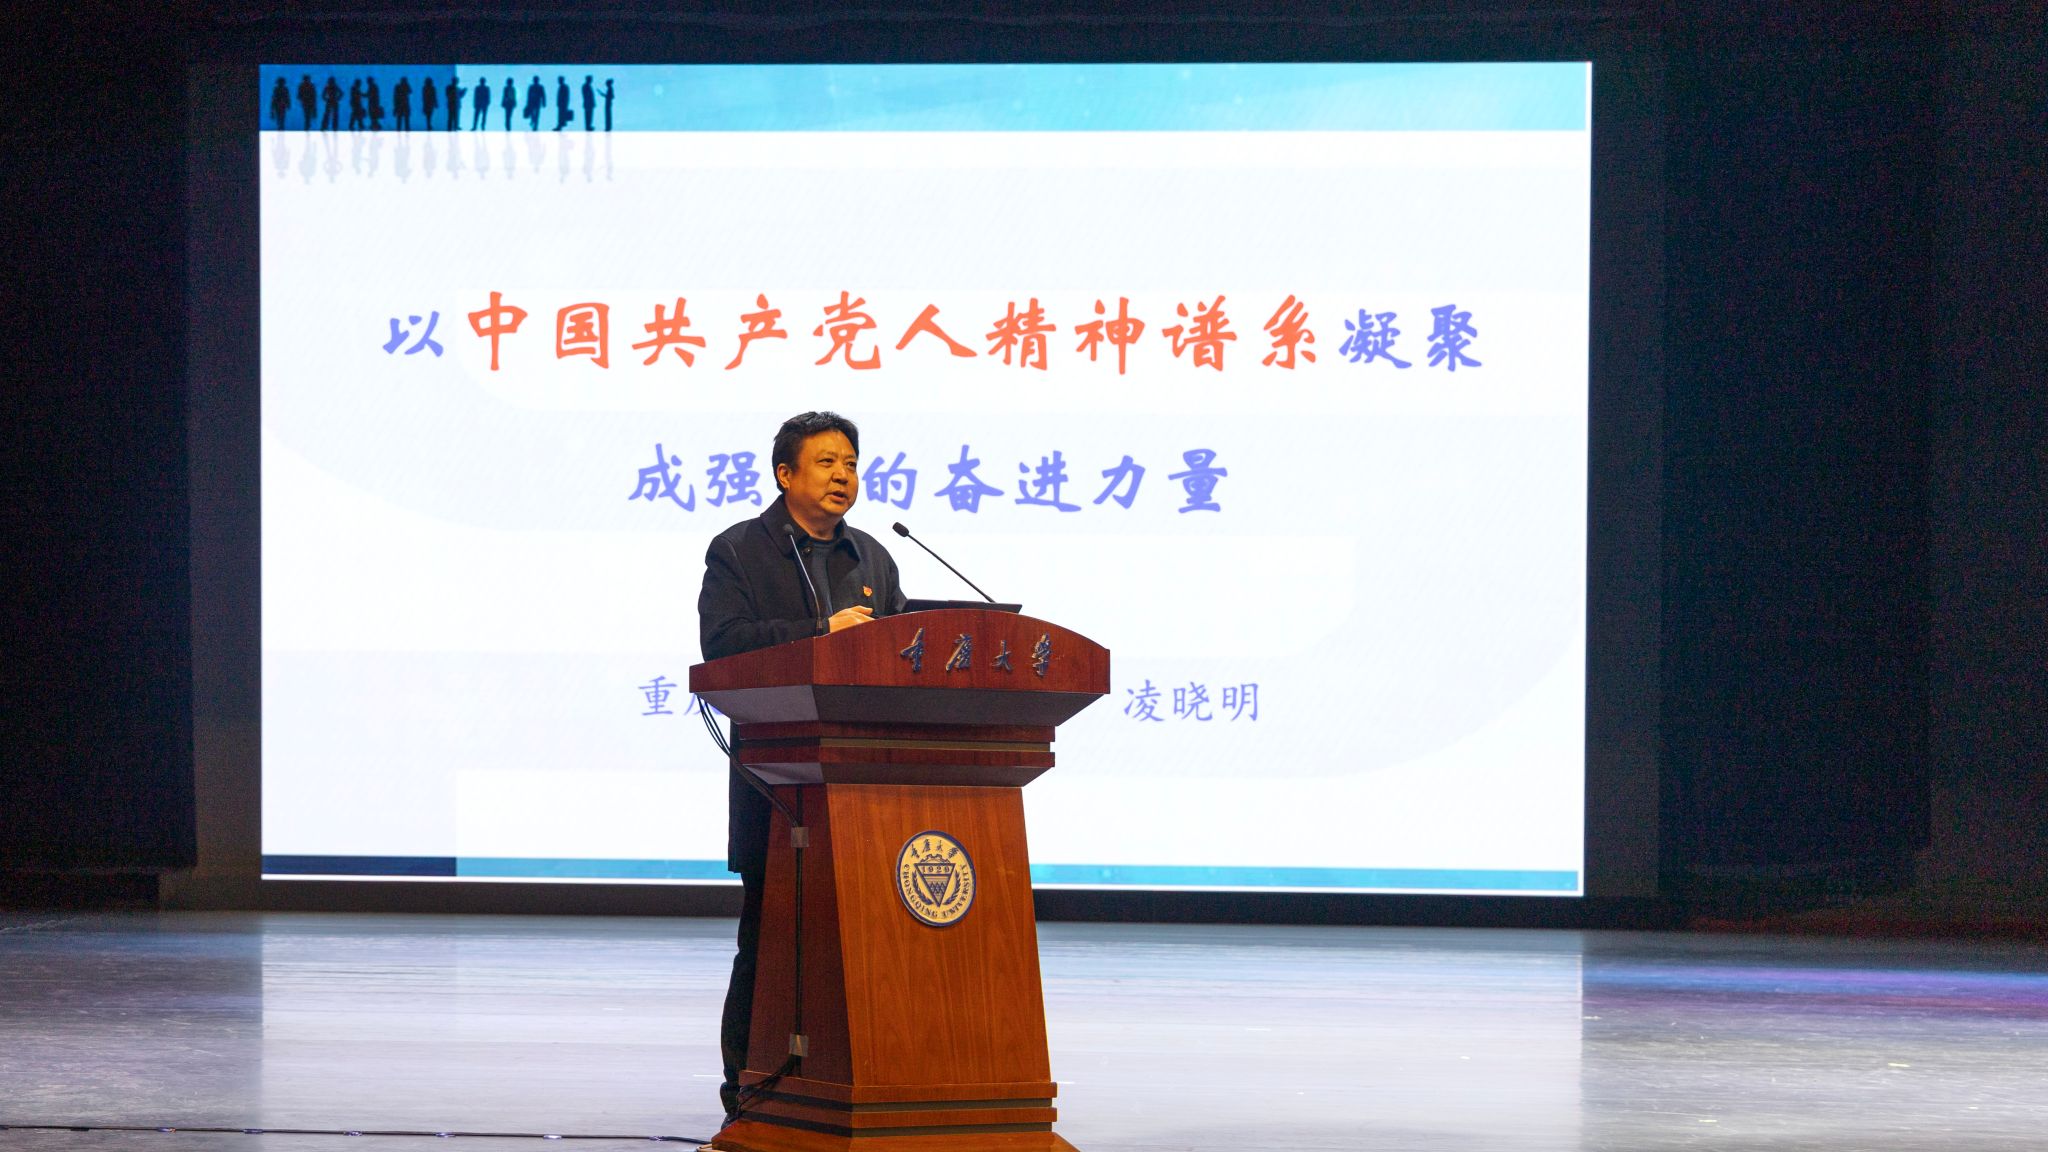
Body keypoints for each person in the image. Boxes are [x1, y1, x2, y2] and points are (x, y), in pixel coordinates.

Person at [696, 411, 907, 1124]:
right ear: (785, 474)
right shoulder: (738, 551)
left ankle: (862, 1082)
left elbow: (900, 654)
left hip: (870, 790)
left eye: (851, 462)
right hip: (778, 788)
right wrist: (822, 632)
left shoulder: (872, 556)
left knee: (871, 944)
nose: (843, 474)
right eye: (826, 462)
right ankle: (748, 1089)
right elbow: (725, 647)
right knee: (769, 942)